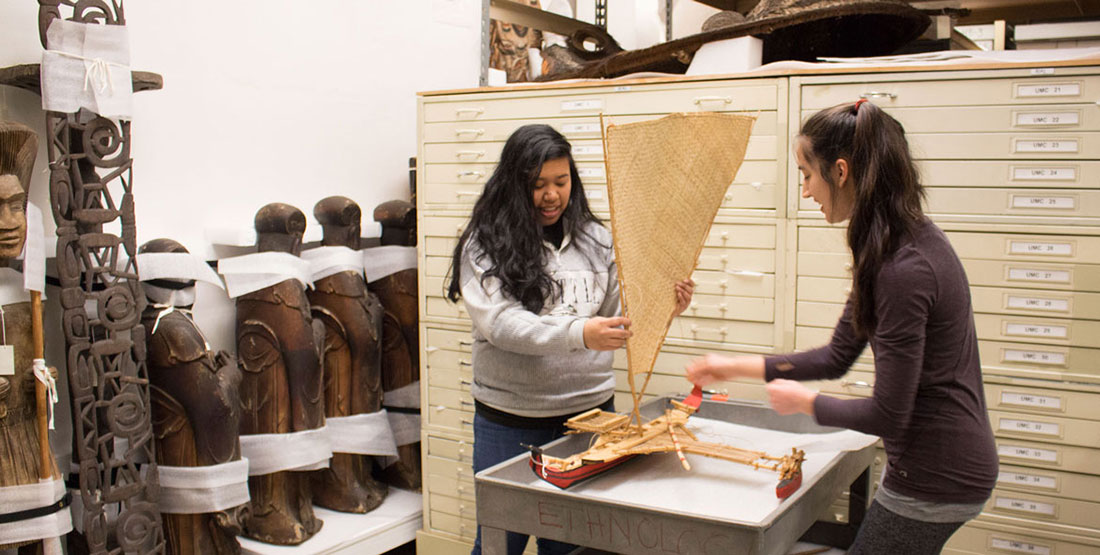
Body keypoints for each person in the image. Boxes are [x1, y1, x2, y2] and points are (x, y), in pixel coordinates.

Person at [685, 100, 998, 554]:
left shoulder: (903, 269)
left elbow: (887, 415)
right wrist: (731, 366)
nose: (807, 191)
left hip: (938, 473)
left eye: (807, 175)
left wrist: (807, 403)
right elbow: (836, 356)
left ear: (842, 171)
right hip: (938, 462)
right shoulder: (897, 241)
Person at [448, 124, 693, 555]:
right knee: (498, 543)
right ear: (513, 184)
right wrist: (581, 332)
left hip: (590, 418)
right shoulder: (484, 244)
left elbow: (622, 317)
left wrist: (664, 305)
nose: (551, 195)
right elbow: (502, 325)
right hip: (510, 422)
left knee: (574, 546)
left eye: (561, 182)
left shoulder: (597, 240)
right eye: (537, 184)